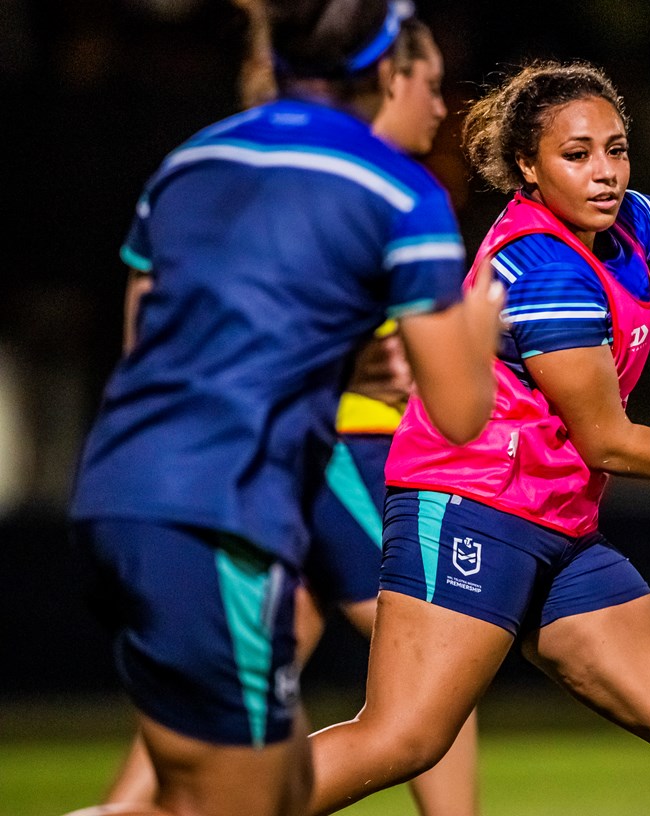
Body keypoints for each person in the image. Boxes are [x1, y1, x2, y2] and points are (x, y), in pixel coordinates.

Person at [304, 58, 650, 816]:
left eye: (617, 148)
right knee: (403, 739)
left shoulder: (630, 222)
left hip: (557, 526)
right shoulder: (544, 270)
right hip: (471, 507)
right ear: (529, 169)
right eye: (577, 155)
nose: (605, 172)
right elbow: (610, 443)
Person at [64, 0, 504, 813]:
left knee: (232, 790)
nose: (443, 111)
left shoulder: (188, 162)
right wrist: (477, 333)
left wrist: (332, 366)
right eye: (433, 84)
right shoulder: (400, 193)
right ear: (387, 71)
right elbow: (458, 414)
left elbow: (145, 346)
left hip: (116, 497)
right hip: (221, 512)